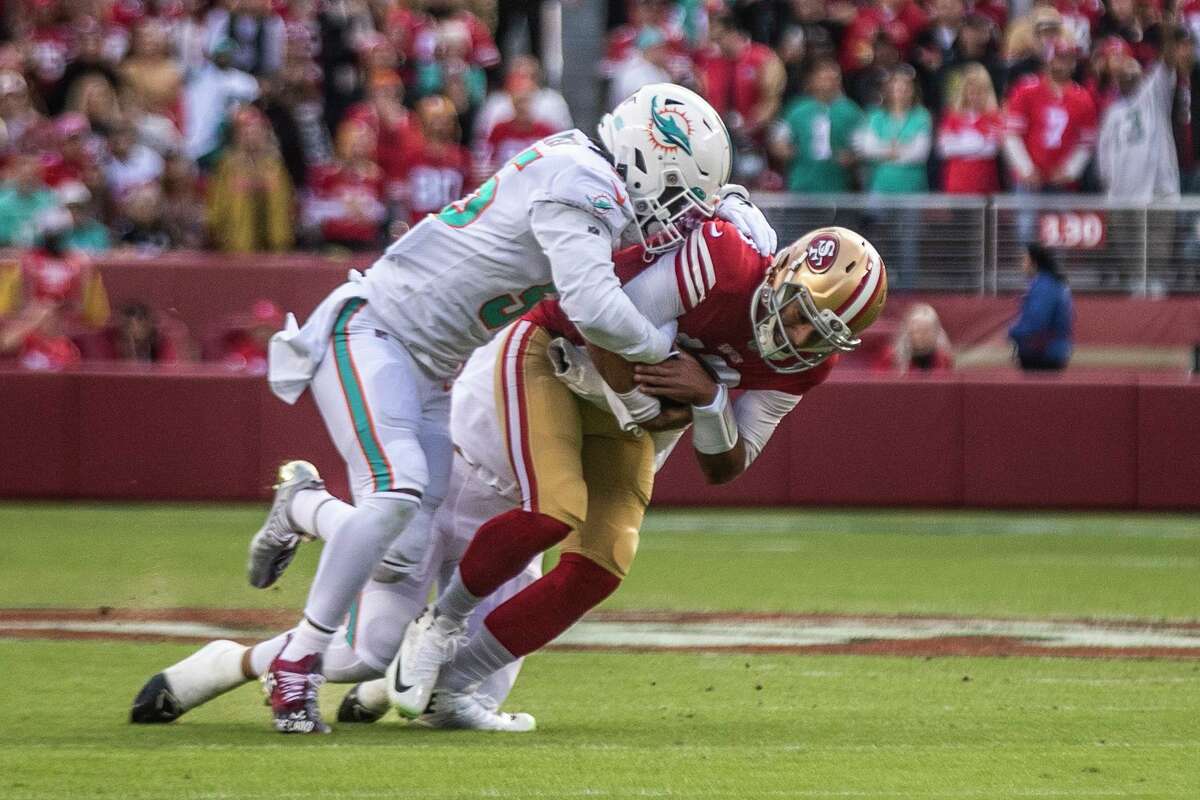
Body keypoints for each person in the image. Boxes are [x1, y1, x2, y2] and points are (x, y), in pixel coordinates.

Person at [129, 223, 885, 732]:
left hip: (565, 460)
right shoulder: (717, 262)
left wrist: (713, 396)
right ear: (781, 271)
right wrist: (664, 395)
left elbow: (725, 463)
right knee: (381, 635)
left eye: (815, 335)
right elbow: (602, 325)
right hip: (533, 388)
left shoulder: (803, 363)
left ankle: (383, 678)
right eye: (794, 318)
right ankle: (225, 661)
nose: (793, 341)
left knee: (484, 669)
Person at [242, 84, 735, 735]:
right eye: (675, 193)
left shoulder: (582, 172)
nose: (670, 214)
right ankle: (297, 664)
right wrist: (662, 356)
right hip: (375, 331)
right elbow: (591, 306)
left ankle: (302, 503)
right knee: (395, 498)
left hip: (430, 370)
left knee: (404, 551)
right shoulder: (584, 179)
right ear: (648, 155)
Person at [770, 58, 864, 193]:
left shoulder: (851, 111)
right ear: (812, 80)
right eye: (823, 77)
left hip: (839, 187)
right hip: (802, 184)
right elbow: (778, 139)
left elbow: (862, 147)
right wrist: (782, 149)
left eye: (833, 78)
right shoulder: (796, 109)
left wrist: (852, 157)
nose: (828, 82)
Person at [937, 63, 1003, 193]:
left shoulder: (994, 116)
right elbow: (944, 149)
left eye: (980, 89)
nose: (975, 94)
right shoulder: (951, 116)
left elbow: (991, 149)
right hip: (956, 185)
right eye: (971, 88)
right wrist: (978, 142)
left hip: (985, 185)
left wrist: (960, 142)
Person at [1009, 243, 1072, 371]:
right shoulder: (1049, 283)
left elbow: (1038, 322)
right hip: (1048, 351)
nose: (1021, 264)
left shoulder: (1044, 286)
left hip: (1042, 353)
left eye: (1024, 259)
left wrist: (1013, 332)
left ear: (1034, 262)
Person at [875, 302, 953, 372]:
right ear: (908, 331)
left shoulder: (944, 359)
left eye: (927, 330)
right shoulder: (892, 357)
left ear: (936, 332)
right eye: (917, 330)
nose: (922, 335)